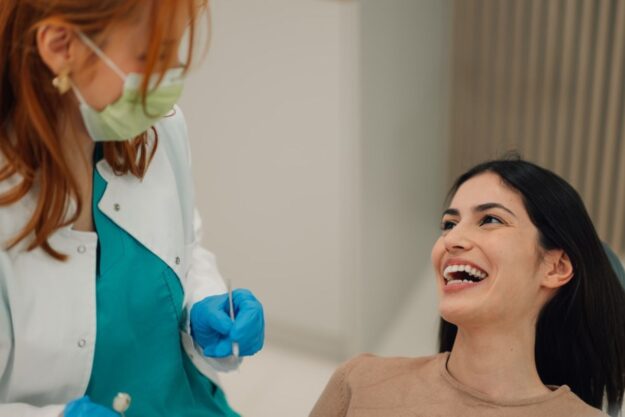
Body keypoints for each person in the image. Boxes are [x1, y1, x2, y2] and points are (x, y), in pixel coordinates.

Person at [0, 1, 265, 416]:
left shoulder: (157, 132)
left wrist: (202, 305)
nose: (170, 79)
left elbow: (185, 248)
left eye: (173, 54)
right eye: (150, 57)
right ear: (61, 46)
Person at [310, 157, 625, 417]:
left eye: (490, 219)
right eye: (449, 224)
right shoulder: (360, 382)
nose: (452, 240)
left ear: (555, 267)